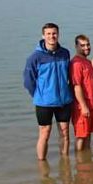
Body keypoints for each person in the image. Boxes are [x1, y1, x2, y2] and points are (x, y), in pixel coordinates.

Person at [23, 23, 74, 160]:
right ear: (43, 36)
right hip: (44, 102)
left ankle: (65, 163)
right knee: (45, 133)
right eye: (49, 34)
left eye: (54, 33)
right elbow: (28, 81)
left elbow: (69, 76)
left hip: (64, 101)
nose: (52, 36)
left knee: (65, 133)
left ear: (58, 34)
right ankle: (42, 166)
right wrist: (39, 95)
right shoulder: (35, 57)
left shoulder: (65, 53)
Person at [70, 35, 93, 152]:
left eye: (87, 44)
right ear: (76, 46)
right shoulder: (76, 63)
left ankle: (87, 162)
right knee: (81, 136)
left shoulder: (87, 61)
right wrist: (83, 106)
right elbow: (77, 86)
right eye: (82, 45)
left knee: (88, 135)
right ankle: (80, 163)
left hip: (92, 104)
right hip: (82, 106)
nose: (86, 47)